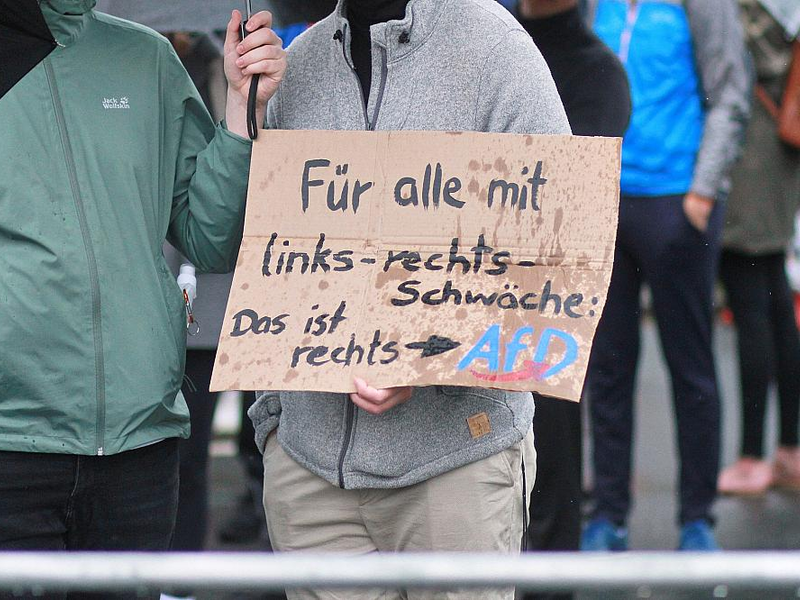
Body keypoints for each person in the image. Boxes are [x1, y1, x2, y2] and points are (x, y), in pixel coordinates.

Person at [247, 0, 570, 598]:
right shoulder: (298, 62)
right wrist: (244, 110)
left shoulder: (496, 47)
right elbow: (250, 245)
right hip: (310, 472)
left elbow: (558, 253)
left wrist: (428, 355)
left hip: (453, 468)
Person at [0, 1, 285, 598]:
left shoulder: (147, 58)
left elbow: (208, 237)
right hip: (12, 442)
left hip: (139, 444)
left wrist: (241, 114)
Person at [582, 0, 750, 551]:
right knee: (606, 367)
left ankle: (697, 520)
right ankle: (608, 515)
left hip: (678, 200)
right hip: (606, 201)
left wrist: (702, 195)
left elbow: (730, 92)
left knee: (691, 367)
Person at [514, 0, 630, 590]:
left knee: (553, 452)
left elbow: (578, 196)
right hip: (477, 287)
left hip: (552, 295)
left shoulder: (597, 68)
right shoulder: (496, 47)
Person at [716, 0, 800, 496]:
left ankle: (752, 457)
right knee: (772, 298)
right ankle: (787, 449)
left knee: (753, 300)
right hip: (778, 145)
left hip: (757, 147)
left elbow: (744, 59)